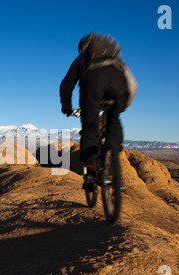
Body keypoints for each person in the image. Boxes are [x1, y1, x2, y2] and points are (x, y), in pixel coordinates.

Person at [59, 33, 132, 190]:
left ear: (84, 47)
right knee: (114, 123)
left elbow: (66, 85)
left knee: (90, 129)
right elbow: (132, 83)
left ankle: (91, 172)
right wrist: (123, 105)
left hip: (93, 86)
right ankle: (113, 165)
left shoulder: (82, 58)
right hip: (116, 86)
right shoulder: (116, 59)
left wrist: (66, 107)